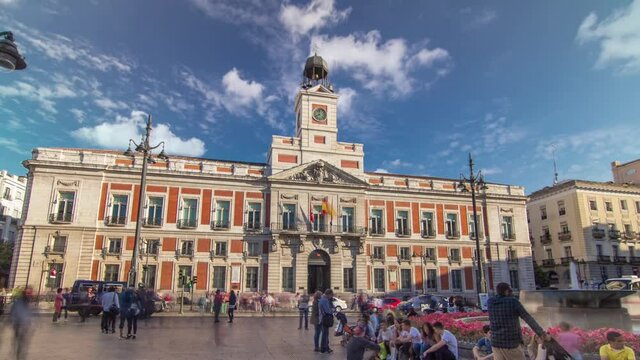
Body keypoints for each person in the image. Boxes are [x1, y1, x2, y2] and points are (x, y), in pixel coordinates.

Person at [487, 282, 548, 360]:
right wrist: (541, 333)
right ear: (506, 291)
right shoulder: (513, 302)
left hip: (496, 343)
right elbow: (527, 318)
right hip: (510, 344)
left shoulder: (490, 302)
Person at [11, 290, 32, 360]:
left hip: (20, 324)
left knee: (20, 339)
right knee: (20, 339)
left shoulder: (18, 302)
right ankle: (19, 352)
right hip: (20, 324)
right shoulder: (23, 302)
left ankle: (19, 352)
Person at [319, 288, 335, 354]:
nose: (331, 296)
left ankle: (325, 347)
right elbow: (328, 310)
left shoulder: (322, 299)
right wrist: (332, 310)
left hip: (322, 318)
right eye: (331, 295)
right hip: (325, 318)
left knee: (325, 334)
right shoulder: (325, 300)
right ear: (328, 294)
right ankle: (324, 348)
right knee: (325, 334)